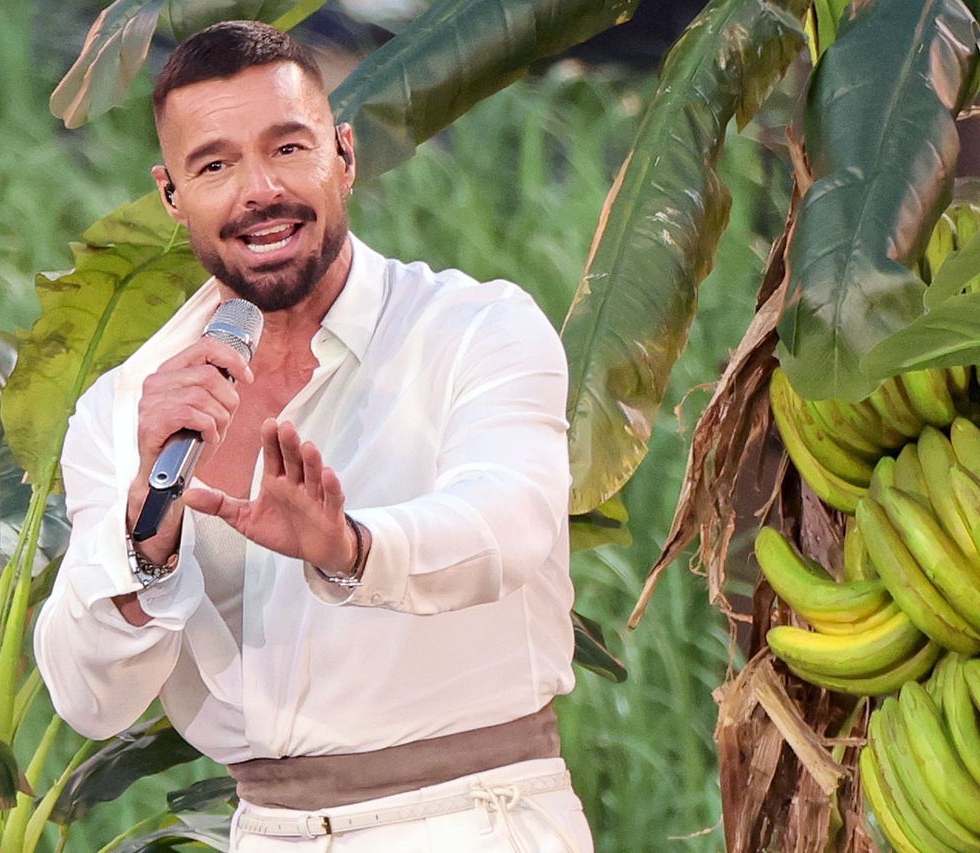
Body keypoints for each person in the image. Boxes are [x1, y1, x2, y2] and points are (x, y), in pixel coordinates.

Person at [34, 20, 592, 852]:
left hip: (478, 814)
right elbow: (90, 698)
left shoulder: (476, 329)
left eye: (287, 148)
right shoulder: (128, 408)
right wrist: (148, 523)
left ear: (345, 156)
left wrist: (349, 544)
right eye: (215, 164)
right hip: (266, 830)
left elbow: (503, 528)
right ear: (171, 196)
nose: (259, 189)